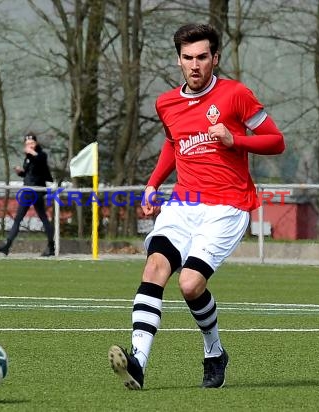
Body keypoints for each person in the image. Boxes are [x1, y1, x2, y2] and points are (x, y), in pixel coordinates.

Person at [107, 23, 285, 390]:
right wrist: (153, 183)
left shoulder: (236, 95)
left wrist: (235, 139)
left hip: (227, 207)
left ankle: (214, 350)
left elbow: (276, 140)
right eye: (188, 58)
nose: (195, 65)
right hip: (183, 203)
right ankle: (138, 363)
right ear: (178, 61)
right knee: (155, 266)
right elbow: (173, 144)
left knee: (189, 284)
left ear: (214, 58)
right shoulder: (166, 103)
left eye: (202, 57)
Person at [0, 133, 55, 257]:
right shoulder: (28, 158)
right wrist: (20, 172)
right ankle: (7, 245)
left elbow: (41, 163)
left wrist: (32, 153)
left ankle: (51, 246)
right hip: (27, 191)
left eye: (31, 144)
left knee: (43, 218)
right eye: (27, 144)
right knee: (18, 219)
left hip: (37, 191)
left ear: (36, 143)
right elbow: (29, 174)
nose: (29, 146)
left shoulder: (41, 155)